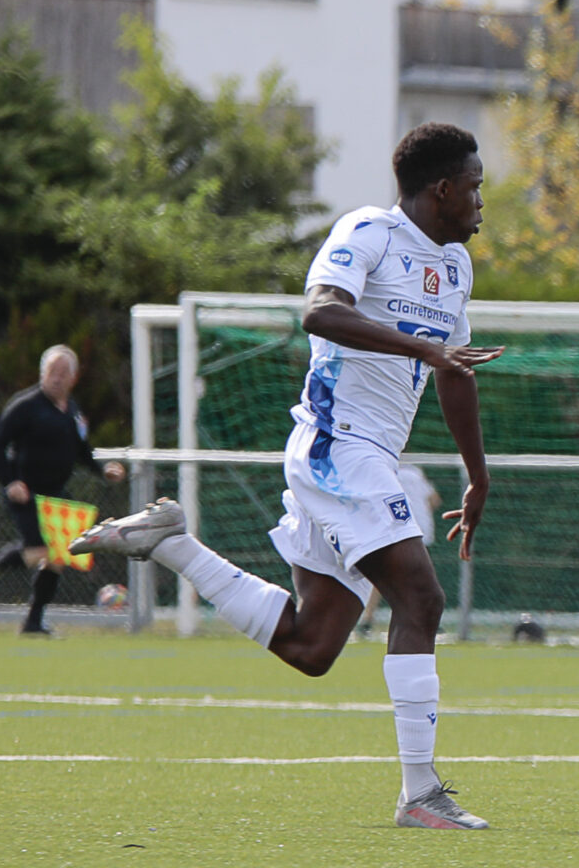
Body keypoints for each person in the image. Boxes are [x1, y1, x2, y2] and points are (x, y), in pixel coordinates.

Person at [73, 123, 504, 829]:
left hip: (364, 459)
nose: (483, 201)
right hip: (338, 447)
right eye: (477, 186)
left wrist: (477, 474)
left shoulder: (456, 269)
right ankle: (421, 794)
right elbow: (321, 311)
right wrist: (420, 348)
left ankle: (170, 540)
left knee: (312, 645)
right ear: (442, 189)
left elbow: (454, 373)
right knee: (420, 599)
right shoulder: (369, 231)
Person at [0, 345, 125, 635]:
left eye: (63, 372)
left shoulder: (73, 409)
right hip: (26, 494)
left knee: (59, 557)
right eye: (51, 372)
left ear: (73, 377)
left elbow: (82, 451)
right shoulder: (26, 404)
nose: (56, 378)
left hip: (56, 495)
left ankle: (33, 622)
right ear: (43, 374)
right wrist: (10, 482)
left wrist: (103, 469)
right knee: (39, 550)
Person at [354, 462, 440, 641]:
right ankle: (425, 619)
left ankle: (368, 619)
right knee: (418, 576)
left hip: (392, 530)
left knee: (382, 577)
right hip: (420, 529)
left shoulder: (379, 470)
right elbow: (434, 500)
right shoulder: (415, 472)